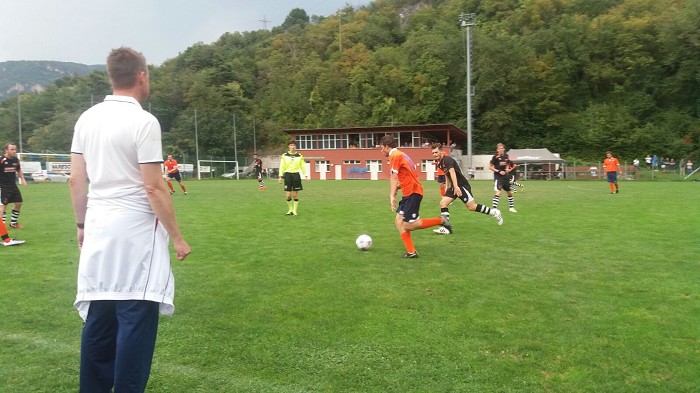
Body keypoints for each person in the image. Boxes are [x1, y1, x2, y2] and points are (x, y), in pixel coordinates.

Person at [69, 47, 191, 393]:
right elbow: (153, 187)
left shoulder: (87, 118)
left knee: (99, 321)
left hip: (98, 229)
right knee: (135, 319)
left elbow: (77, 180)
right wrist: (178, 238)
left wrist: (81, 225)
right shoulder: (143, 121)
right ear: (141, 76)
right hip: (135, 234)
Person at [379, 135, 448, 258]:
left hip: (413, 193)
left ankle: (441, 220)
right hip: (409, 192)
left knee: (408, 225)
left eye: (381, 148)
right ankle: (411, 252)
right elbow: (408, 175)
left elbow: (394, 177)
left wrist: (391, 195)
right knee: (398, 221)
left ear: (387, 146)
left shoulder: (394, 156)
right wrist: (397, 189)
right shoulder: (402, 154)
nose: (381, 151)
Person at [432, 143, 502, 233]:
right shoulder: (440, 163)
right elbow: (447, 174)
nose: (434, 154)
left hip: (461, 185)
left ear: (441, 151)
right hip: (454, 186)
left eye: (436, 152)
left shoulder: (447, 159)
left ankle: (494, 212)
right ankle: (446, 228)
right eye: (433, 153)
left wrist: (456, 187)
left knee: (471, 207)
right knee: (443, 203)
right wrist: (447, 187)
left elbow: (452, 172)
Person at [0, 143, 28, 231]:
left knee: (19, 203)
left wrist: (23, 179)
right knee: (3, 206)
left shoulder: (16, 160)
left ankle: (13, 223)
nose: (14, 151)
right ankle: (2, 226)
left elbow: (19, 170)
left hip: (13, 186)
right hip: (3, 186)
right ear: (6, 150)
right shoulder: (2, 160)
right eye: (12, 149)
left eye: (15, 149)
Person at [278, 141, 307, 215]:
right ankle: (290, 209)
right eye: (291, 145)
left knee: (295, 194)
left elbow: (302, 166)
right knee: (288, 195)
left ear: (295, 147)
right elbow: (282, 166)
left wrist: (305, 175)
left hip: (296, 175)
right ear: (289, 146)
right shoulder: (284, 155)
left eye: (294, 145)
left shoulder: (299, 156)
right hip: (287, 175)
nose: (293, 146)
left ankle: (294, 211)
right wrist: (280, 176)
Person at [489, 143, 517, 213]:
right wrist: (499, 171)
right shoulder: (495, 157)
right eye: (499, 148)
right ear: (497, 150)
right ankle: (494, 209)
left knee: (509, 192)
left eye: (502, 148)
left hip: (505, 177)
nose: (501, 149)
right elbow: (490, 167)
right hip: (498, 177)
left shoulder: (506, 156)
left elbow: (508, 164)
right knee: (499, 192)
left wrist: (508, 169)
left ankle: (511, 208)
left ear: (504, 149)